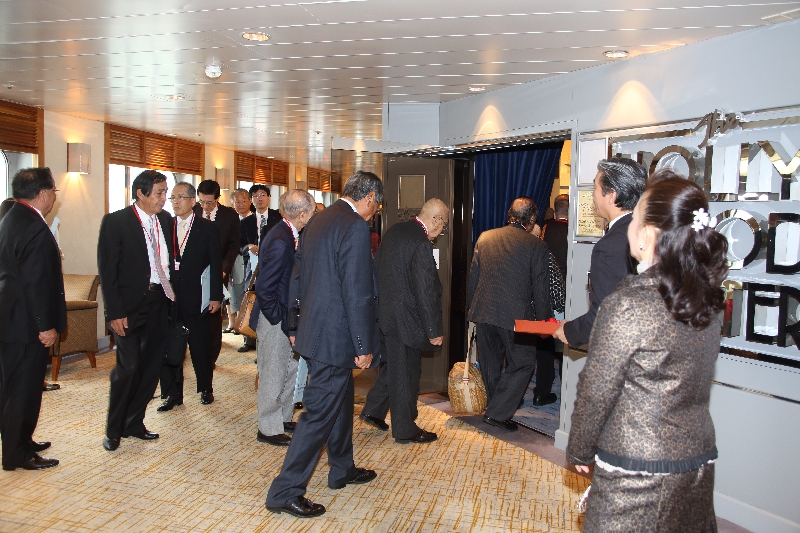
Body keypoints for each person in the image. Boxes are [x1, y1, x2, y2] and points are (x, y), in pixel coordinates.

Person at [566, 177, 727, 531]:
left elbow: (597, 389)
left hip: (635, 465)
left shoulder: (628, 303)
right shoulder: (709, 301)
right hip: (697, 457)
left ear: (648, 235)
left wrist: (579, 448)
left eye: (635, 217)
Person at [265, 171, 382, 518]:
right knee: (317, 414)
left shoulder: (317, 219)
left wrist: (295, 325)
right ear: (370, 197)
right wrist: (362, 344)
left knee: (341, 401)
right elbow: (356, 291)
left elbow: (297, 278)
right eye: (377, 204)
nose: (375, 210)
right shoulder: (354, 226)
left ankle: (342, 468)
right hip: (335, 337)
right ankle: (285, 491)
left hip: (316, 333)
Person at [98, 170, 174, 452]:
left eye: (165, 192)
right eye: (159, 193)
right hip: (129, 307)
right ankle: (113, 429)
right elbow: (108, 271)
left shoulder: (165, 220)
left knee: (151, 367)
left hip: (159, 301)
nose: (164, 198)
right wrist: (114, 312)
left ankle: (134, 422)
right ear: (141, 193)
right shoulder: (116, 222)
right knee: (127, 368)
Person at [360, 198, 448, 444]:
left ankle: (373, 410)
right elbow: (426, 291)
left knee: (395, 367)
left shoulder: (395, 230)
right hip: (406, 319)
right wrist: (433, 330)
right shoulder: (421, 243)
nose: (442, 231)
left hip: (385, 314)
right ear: (436, 220)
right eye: (443, 225)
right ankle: (405, 428)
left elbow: (376, 270)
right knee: (407, 374)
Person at [468, 198, 552, 432]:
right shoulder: (536, 246)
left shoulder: (485, 237)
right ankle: (497, 413)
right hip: (517, 317)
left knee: (491, 365)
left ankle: (496, 408)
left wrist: (471, 309)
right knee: (524, 363)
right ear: (532, 219)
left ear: (509, 215)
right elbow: (540, 287)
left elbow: (474, 276)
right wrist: (545, 323)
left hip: (484, 311)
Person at [0, 168, 65, 471]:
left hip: (11, 320)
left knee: (13, 387)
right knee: (24, 391)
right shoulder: (35, 227)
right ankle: (18, 453)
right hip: (26, 325)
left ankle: (20, 440)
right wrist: (45, 325)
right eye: (53, 191)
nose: (54, 197)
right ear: (42, 194)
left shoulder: (11, 218)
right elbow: (36, 283)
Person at [553, 158, 647, 347]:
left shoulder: (610, 246)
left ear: (611, 195)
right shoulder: (647, 231)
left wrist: (569, 331)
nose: (593, 195)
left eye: (595, 187)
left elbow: (605, 315)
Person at [252, 190, 315, 446]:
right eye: (311, 212)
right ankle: (268, 428)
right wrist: (278, 319)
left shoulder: (287, 232)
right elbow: (264, 288)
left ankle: (283, 417)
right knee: (273, 372)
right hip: (275, 318)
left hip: (286, 316)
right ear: (302, 214)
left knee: (289, 369)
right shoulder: (280, 239)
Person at [158, 182, 222, 411]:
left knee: (200, 345)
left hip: (198, 296)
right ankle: (172, 394)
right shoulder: (165, 225)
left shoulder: (207, 228)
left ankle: (206, 388)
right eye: (172, 198)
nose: (175, 202)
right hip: (170, 297)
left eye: (180, 197)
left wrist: (215, 296)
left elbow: (215, 264)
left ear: (193, 201)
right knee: (170, 346)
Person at [194, 180, 240, 366]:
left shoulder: (229, 216)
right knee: (195, 314)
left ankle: (211, 356)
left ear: (217, 199)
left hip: (218, 272)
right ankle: (198, 351)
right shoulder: (192, 212)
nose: (205, 206)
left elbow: (234, 246)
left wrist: (223, 269)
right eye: (202, 202)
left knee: (213, 315)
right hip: (195, 273)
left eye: (209, 203)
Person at [238, 184, 282, 353]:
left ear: (269, 197)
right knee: (250, 299)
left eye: (263, 195)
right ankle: (248, 338)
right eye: (255, 196)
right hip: (253, 267)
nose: (259, 198)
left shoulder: (278, 217)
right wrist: (248, 247)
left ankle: (267, 343)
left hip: (273, 266)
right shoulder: (246, 222)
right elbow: (239, 245)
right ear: (251, 200)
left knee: (269, 301)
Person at [293, 201, 327, 411]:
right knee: (303, 358)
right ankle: (299, 395)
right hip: (305, 306)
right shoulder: (303, 237)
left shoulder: (324, 238)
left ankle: (309, 395)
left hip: (318, 307)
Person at [225, 188, 253, 333]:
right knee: (238, 297)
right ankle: (243, 331)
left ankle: (251, 332)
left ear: (250, 201)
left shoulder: (256, 220)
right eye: (237, 202)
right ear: (232, 203)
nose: (241, 204)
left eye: (244, 201)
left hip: (253, 265)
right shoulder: (230, 221)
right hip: (236, 265)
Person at [542, 194, 569, 276]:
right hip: (568, 276)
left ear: (554, 214)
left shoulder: (545, 228)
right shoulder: (573, 232)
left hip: (549, 276)